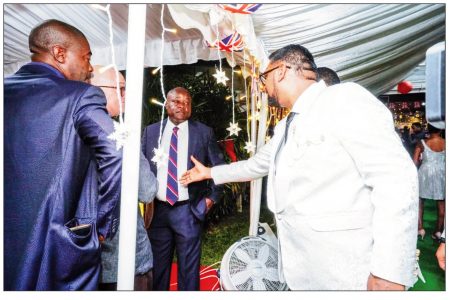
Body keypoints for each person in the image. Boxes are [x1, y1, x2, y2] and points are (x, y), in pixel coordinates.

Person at [180, 44, 418, 290]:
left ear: (280, 71)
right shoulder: (286, 125)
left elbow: (394, 178)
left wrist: (389, 271)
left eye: (264, 77)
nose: (263, 85)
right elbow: (257, 165)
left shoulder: (342, 98)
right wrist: (210, 173)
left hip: (347, 271)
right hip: (304, 269)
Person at [4, 19, 122, 290]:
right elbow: (115, 152)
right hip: (57, 249)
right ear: (59, 53)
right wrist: (102, 227)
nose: (90, 68)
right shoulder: (82, 96)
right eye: (87, 57)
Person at [141, 87, 225, 290]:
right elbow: (141, 166)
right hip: (157, 210)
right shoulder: (151, 132)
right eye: (177, 101)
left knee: (189, 269)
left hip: (188, 209)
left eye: (187, 102)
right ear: (166, 104)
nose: (183, 106)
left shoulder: (203, 133)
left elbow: (219, 168)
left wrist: (210, 199)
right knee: (158, 268)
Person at [89, 66, 157, 290]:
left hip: (83, 261)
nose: (127, 94)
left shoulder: (68, 129)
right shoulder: (120, 135)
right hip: (125, 258)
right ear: (95, 90)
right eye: (121, 88)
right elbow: (147, 190)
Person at [413, 124, 445, 241]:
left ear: (428, 129)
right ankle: (438, 232)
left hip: (425, 173)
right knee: (442, 203)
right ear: (441, 129)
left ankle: (420, 228)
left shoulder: (422, 143)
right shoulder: (445, 142)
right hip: (442, 173)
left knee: (420, 201)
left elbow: (415, 162)